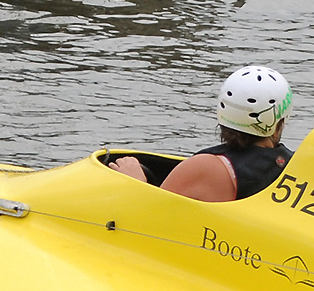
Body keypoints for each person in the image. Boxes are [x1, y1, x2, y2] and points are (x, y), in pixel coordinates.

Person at [110, 66, 294, 203]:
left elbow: (147, 216)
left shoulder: (204, 167)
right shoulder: (295, 166)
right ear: (280, 121)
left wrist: (135, 183)